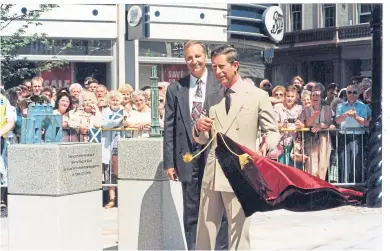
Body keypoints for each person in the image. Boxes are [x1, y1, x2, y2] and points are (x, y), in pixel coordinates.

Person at [193, 45, 279, 250]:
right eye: (213, 67)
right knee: (204, 232)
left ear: (236, 65)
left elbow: (272, 131)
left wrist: (264, 148)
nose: (217, 72)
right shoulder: (212, 96)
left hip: (241, 172)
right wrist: (199, 128)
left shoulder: (257, 96)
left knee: (239, 232)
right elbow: (203, 139)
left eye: (221, 66)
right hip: (213, 173)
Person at [163, 40, 228, 250]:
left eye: (198, 56)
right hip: (187, 156)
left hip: (215, 155)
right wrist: (169, 162)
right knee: (192, 210)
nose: (194, 61)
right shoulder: (175, 89)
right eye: (189, 58)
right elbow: (169, 128)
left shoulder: (220, 85)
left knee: (220, 209)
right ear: (185, 61)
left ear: (206, 57)